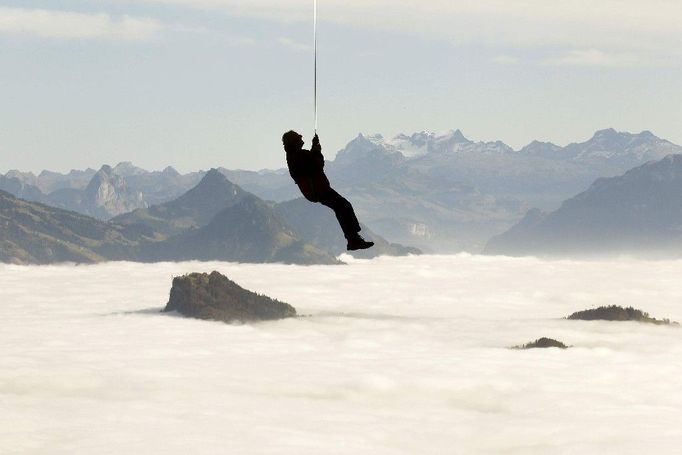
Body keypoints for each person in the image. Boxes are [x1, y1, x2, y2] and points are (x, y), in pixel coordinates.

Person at [282, 130, 374, 251]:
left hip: (316, 190)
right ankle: (353, 240)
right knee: (344, 206)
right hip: (318, 190)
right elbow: (317, 163)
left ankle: (353, 239)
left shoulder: (295, 155)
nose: (301, 136)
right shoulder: (298, 155)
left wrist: (314, 148)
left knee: (342, 207)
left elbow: (311, 161)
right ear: (294, 141)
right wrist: (317, 150)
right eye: (297, 136)